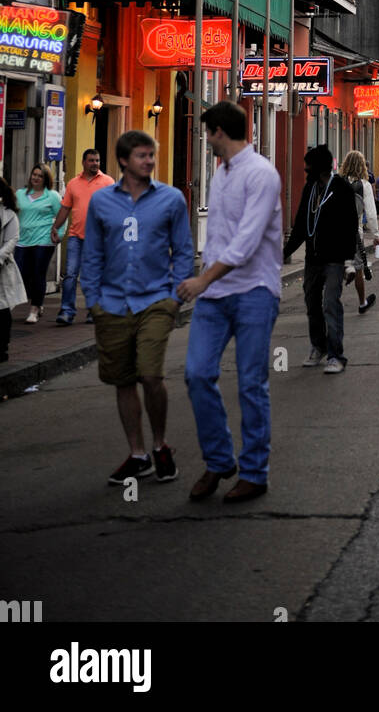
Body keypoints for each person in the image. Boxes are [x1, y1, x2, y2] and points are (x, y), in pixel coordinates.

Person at [180, 102, 283, 501]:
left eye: (208, 133)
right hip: (216, 295)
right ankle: (219, 460)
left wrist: (203, 279)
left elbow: (247, 240)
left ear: (220, 131)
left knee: (251, 383)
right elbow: (222, 236)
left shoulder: (261, 173)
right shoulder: (220, 174)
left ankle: (255, 472)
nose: (205, 141)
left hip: (255, 290)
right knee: (197, 374)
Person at [82, 130, 194, 486]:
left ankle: (160, 444)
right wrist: (93, 300)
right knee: (124, 379)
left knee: (150, 374)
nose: (149, 161)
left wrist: (174, 298)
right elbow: (92, 254)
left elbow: (184, 249)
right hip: (112, 303)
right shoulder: (102, 202)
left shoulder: (172, 200)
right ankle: (137, 453)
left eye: (151, 155)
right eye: (142, 156)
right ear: (125, 161)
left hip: (155, 300)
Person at [285, 144, 358, 372]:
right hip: (312, 258)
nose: (306, 172)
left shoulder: (341, 188)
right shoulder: (310, 188)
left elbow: (350, 225)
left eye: (309, 168)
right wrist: (284, 253)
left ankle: (336, 355)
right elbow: (300, 225)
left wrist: (349, 261)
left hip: (336, 258)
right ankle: (318, 346)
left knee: (330, 304)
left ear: (319, 168)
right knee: (311, 303)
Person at [51, 148, 114, 325]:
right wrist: (55, 227)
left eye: (97, 160)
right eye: (92, 160)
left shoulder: (108, 182)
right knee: (70, 274)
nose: (95, 164)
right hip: (75, 237)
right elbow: (65, 208)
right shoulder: (73, 183)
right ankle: (66, 311)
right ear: (83, 162)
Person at [15, 163, 63, 324]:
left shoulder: (52, 196)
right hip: (22, 240)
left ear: (46, 179)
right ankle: (38, 300)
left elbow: (62, 215)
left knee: (38, 273)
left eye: (40, 176)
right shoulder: (20, 194)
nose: (36, 178)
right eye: (34, 174)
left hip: (44, 240)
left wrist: (59, 234)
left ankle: (35, 308)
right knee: (21, 273)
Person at [340, 150, 379, 314]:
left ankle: (332, 299)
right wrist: (376, 236)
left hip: (334, 230)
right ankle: (362, 302)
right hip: (354, 231)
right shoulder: (364, 185)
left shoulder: (335, 182)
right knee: (359, 267)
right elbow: (371, 214)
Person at [0, 179, 23, 363]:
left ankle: (2, 347)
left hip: (2, 267)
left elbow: (11, 241)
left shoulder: (9, 215)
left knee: (2, 307)